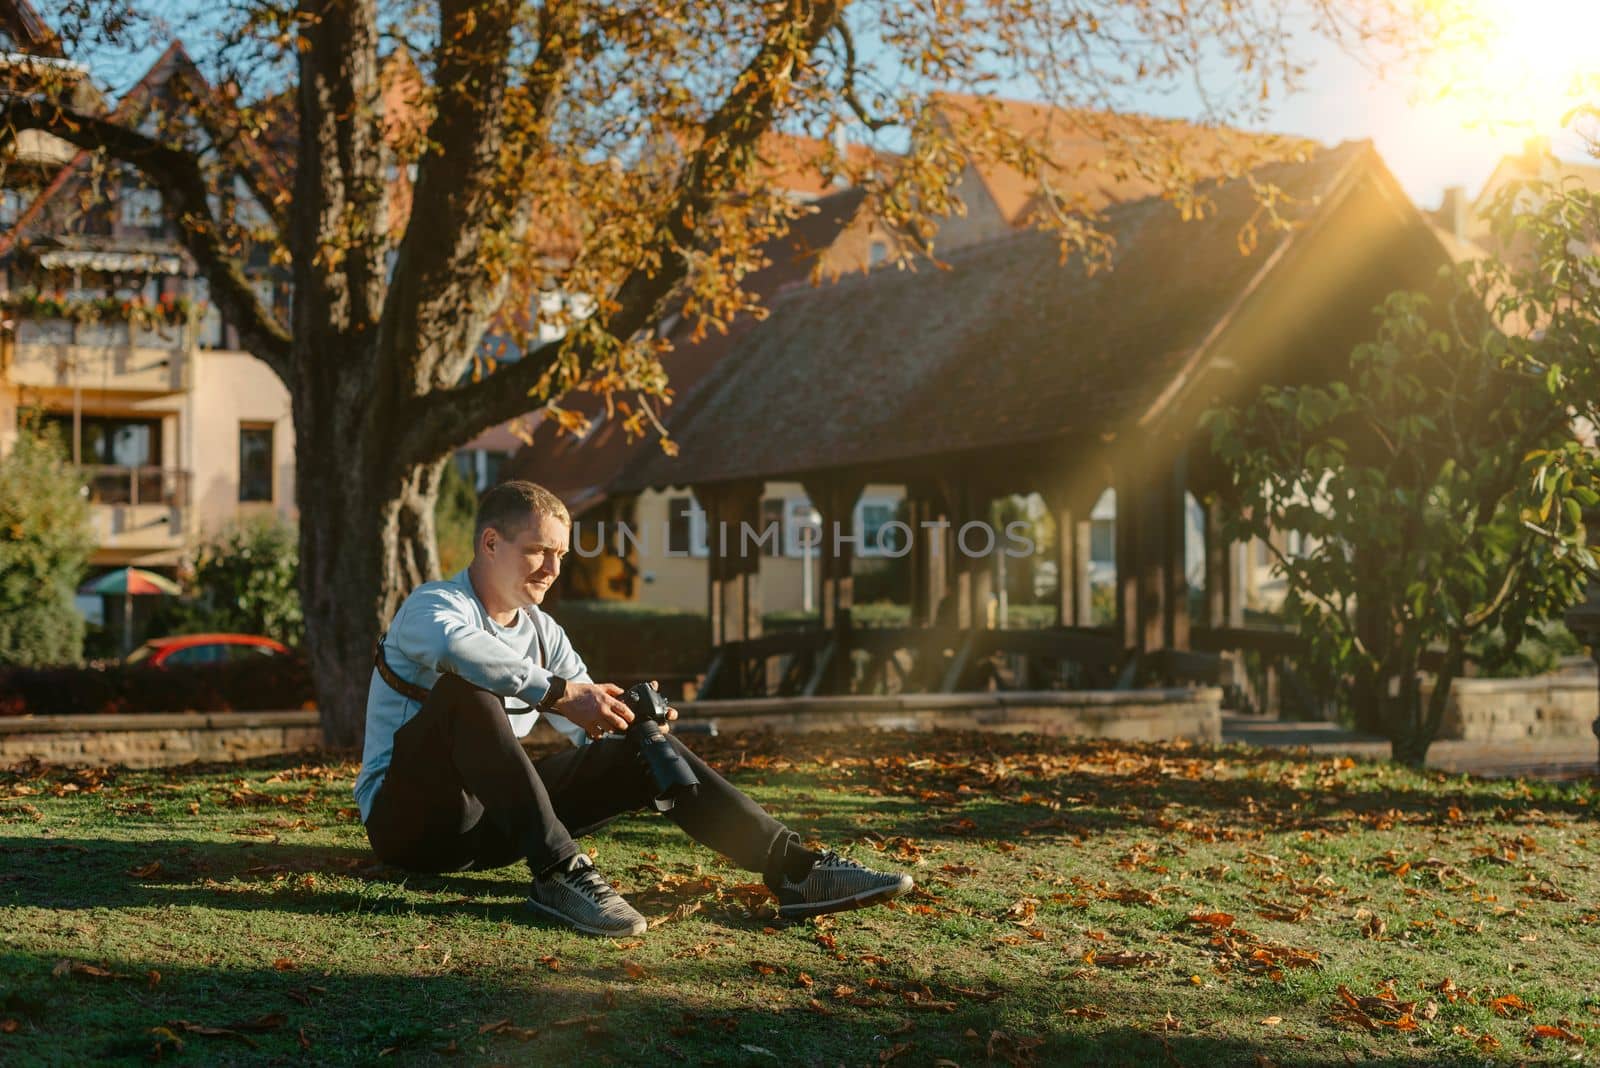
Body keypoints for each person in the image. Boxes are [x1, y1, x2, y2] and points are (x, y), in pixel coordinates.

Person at [353, 480, 913, 936]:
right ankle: (559, 873)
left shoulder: (544, 632)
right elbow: (458, 651)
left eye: (560, 555)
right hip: (410, 826)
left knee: (638, 748)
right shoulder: (434, 605)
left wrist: (636, 728)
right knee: (464, 690)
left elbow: (588, 728)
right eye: (537, 551)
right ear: (491, 543)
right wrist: (563, 695)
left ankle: (794, 870)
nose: (551, 568)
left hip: (492, 828)